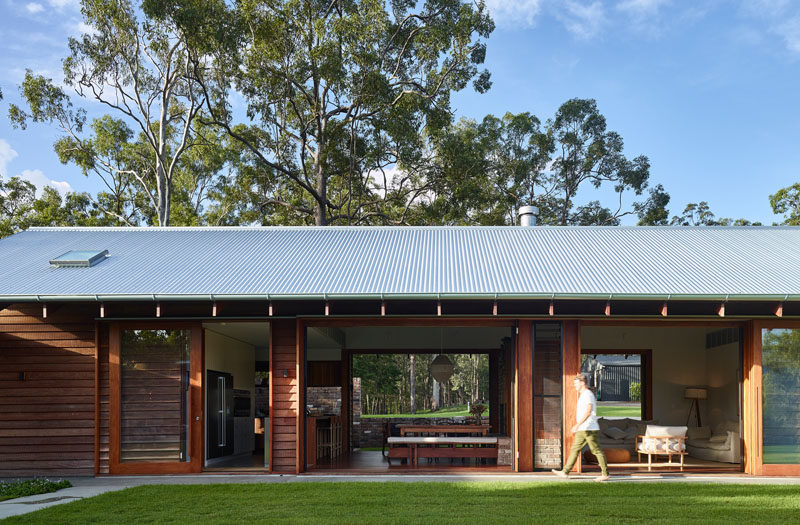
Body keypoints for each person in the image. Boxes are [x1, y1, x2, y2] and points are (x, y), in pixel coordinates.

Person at [552, 373, 609, 482]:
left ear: (583, 383)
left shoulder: (587, 394)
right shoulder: (584, 394)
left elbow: (588, 410)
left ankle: (605, 474)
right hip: (583, 428)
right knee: (575, 449)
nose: (575, 385)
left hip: (589, 428)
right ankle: (565, 472)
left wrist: (577, 425)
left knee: (596, 450)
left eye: (576, 383)